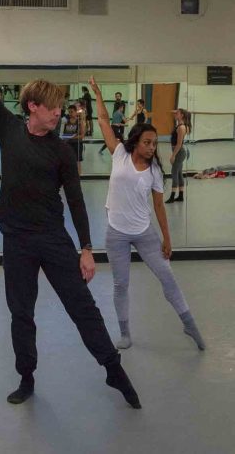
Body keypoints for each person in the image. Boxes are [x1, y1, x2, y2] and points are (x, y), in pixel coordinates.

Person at [0, 9, 141, 409]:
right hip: (16, 238)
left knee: (82, 307)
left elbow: (77, 200)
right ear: (33, 106)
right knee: (21, 313)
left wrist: (85, 247)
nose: (60, 112)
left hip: (52, 238)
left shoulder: (62, 150)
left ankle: (113, 370)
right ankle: (27, 377)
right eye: (53, 107)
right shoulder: (8, 130)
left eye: (61, 107)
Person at [89, 76, 205, 352]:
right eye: (148, 143)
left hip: (144, 233)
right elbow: (104, 121)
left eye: (155, 143)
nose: (152, 148)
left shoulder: (154, 171)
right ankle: (125, 332)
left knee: (167, 277)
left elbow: (159, 206)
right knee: (120, 284)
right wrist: (96, 93)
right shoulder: (119, 154)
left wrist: (167, 237)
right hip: (116, 232)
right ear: (136, 142)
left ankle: (189, 323)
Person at [165, 108, 191, 203]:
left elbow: (179, 144)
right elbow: (174, 112)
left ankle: (172, 196)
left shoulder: (181, 127)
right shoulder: (180, 125)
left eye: (177, 113)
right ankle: (180, 196)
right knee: (179, 173)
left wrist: (173, 155)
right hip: (179, 151)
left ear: (182, 115)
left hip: (179, 152)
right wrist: (176, 111)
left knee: (174, 172)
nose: (175, 114)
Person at [62, 104, 85, 174]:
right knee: (68, 161)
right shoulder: (66, 122)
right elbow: (64, 134)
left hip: (77, 145)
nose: (70, 114)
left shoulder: (80, 122)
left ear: (75, 112)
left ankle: (78, 178)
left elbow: (82, 135)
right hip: (68, 144)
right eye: (69, 112)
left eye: (72, 112)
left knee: (77, 162)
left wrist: (72, 137)